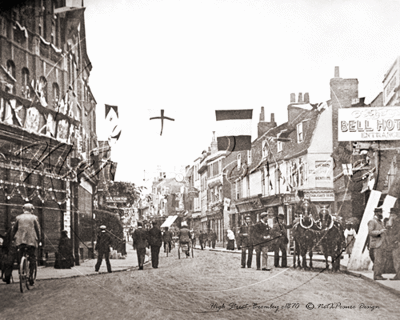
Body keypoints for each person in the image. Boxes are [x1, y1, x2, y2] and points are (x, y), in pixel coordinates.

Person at [12, 203, 41, 285]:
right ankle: (31, 276)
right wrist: (39, 239)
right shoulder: (34, 218)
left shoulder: (18, 218)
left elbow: (14, 229)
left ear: (24, 209)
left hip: (20, 241)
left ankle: (21, 272)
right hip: (31, 242)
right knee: (32, 258)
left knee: (20, 256)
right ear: (31, 210)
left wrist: (13, 239)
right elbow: (38, 230)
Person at [368, 207, 387, 280]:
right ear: (376, 213)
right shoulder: (372, 221)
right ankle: (376, 275)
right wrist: (380, 232)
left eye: (381, 212)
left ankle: (379, 274)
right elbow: (370, 232)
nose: (381, 214)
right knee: (378, 261)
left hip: (381, 244)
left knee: (381, 260)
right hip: (376, 244)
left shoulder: (380, 222)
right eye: (380, 212)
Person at [2, 218, 17, 284]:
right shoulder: (10, 230)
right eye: (12, 223)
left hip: (16, 247)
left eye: (14, 223)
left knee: (10, 263)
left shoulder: (15, 230)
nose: (13, 224)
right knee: (9, 263)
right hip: (12, 248)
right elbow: (6, 239)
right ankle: (7, 278)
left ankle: (23, 276)